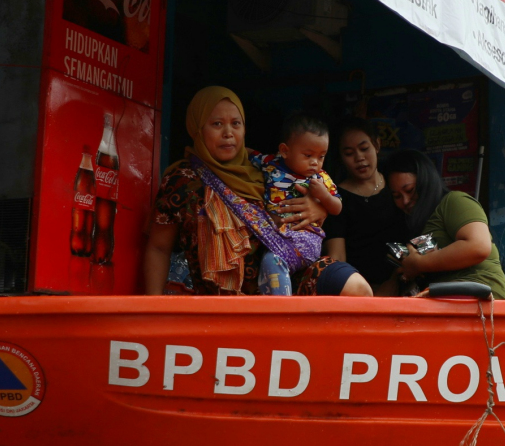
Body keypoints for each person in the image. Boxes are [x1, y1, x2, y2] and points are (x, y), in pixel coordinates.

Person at [143, 87, 371, 297]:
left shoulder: (263, 168)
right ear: (197, 128)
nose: (228, 133)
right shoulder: (184, 180)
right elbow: (159, 248)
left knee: (357, 289)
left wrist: (318, 207)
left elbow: (309, 193)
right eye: (216, 124)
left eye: (236, 123)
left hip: (286, 278)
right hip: (221, 299)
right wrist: (152, 309)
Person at [380, 149, 505, 299]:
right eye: (397, 196)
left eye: (410, 190)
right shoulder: (413, 227)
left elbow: (479, 246)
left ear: (426, 181)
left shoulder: (454, 201)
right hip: (443, 306)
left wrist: (419, 263)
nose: (405, 200)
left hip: (481, 301)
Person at [256, 114, 343, 291]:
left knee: (272, 262)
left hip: (305, 240)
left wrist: (324, 197)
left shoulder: (320, 178)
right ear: (285, 150)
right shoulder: (270, 164)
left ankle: (283, 312)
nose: (315, 163)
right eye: (308, 155)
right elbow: (247, 155)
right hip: (275, 236)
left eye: (321, 157)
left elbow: (338, 207)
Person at [323, 119, 406, 292]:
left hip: (405, 282)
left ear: (377, 145)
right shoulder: (336, 200)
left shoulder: (396, 185)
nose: (359, 158)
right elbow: (337, 258)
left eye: (364, 148)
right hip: (361, 293)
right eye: (349, 153)